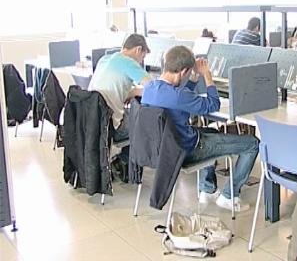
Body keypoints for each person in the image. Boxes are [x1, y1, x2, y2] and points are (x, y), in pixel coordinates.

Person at [141, 45, 259, 212]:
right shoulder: (179, 96)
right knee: (252, 143)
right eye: (188, 73)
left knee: (211, 131)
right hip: (188, 151)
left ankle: (207, 188)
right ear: (182, 72)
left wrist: (193, 79)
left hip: (164, 150)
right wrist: (207, 75)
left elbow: (179, 98)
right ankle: (229, 195)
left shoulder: (150, 88)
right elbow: (213, 104)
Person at [88, 33, 153, 177]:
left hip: (92, 120)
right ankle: (124, 163)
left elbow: (111, 88)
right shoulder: (128, 63)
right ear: (137, 50)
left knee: (132, 116)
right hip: (110, 125)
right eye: (143, 57)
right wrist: (138, 91)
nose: (141, 62)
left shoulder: (104, 59)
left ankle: (121, 163)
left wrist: (132, 92)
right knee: (145, 124)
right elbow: (153, 87)